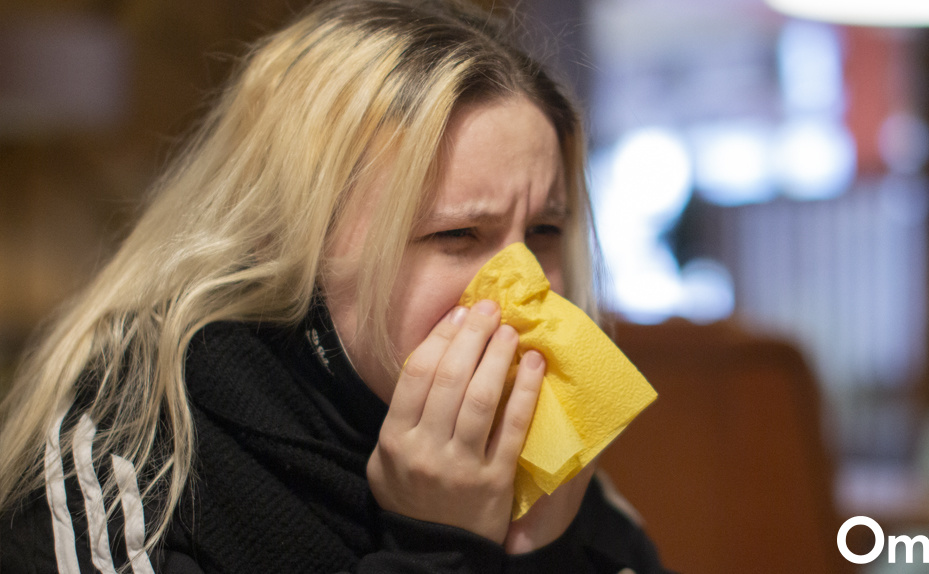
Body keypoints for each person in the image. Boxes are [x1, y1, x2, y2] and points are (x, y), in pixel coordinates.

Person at [0, 1, 671, 572]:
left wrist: (536, 553)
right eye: (457, 236)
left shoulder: (549, 463)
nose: (527, 286)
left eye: (546, 231)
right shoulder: (135, 458)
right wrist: (440, 550)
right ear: (291, 244)